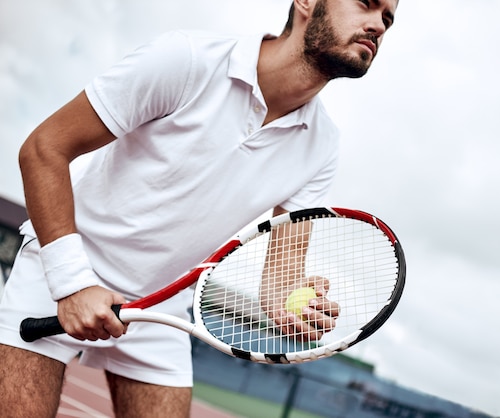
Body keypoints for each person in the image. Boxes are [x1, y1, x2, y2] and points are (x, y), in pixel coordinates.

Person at [0, 0, 398, 416]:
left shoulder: (322, 145)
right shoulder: (186, 59)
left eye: (388, 18)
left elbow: (282, 275)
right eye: (367, 4)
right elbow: (44, 149)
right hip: (59, 277)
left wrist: (290, 303)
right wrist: (72, 283)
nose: (378, 25)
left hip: (159, 314)